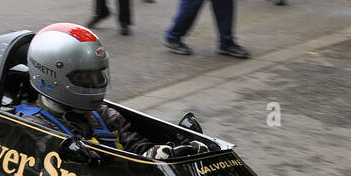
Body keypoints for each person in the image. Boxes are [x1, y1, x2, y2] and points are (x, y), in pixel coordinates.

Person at [15, 23, 208, 160]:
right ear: (50, 76)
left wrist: (162, 154)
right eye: (84, 78)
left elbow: (137, 148)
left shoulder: (104, 114)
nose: (95, 83)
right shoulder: (31, 128)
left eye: (97, 75)